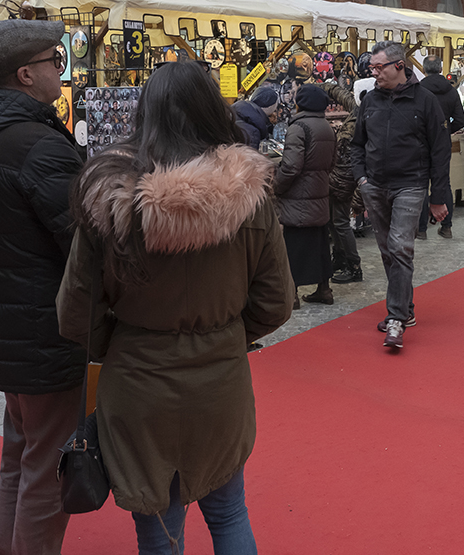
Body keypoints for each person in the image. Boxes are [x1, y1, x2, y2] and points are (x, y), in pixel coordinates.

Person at [56, 59, 292, 555]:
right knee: (229, 514)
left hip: (138, 380)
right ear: (213, 110)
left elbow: (76, 309)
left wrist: (118, 343)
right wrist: (227, 335)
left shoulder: (108, 201)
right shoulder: (251, 199)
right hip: (220, 379)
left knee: (158, 530)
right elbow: (276, 301)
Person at [0, 19, 86, 555]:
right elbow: (82, 245)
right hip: (45, 332)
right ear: (26, 74)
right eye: (57, 61)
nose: (61, 70)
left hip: (7, 325)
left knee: (22, 456)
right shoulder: (35, 144)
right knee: (47, 470)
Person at [351, 41, 451, 349]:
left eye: (379, 67)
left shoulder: (425, 101)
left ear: (399, 66)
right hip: (374, 185)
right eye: (372, 68)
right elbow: (357, 143)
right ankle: (406, 309)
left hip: (411, 184)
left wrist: (438, 196)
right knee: (387, 249)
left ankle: (395, 318)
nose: (374, 73)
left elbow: (440, 149)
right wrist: (361, 178)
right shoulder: (370, 100)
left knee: (400, 247)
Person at [275, 84, 336, 308]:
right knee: (320, 243)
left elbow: (291, 167)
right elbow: (332, 163)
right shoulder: (326, 127)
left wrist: (277, 186)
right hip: (320, 193)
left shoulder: (298, 127)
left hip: (298, 196)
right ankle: (324, 289)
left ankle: (291, 294)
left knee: (294, 245)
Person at [313, 81, 363, 284]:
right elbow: (344, 96)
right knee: (336, 222)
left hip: (343, 183)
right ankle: (341, 260)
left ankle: (354, 266)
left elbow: (350, 162)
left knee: (340, 223)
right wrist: (324, 86)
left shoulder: (360, 121)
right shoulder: (360, 110)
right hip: (338, 181)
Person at [419, 56, 464, 239]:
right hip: (442, 141)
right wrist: (446, 130)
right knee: (443, 182)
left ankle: (421, 229)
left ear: (424, 69)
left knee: (421, 184)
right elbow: (460, 119)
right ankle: (446, 227)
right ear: (440, 69)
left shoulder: (418, 90)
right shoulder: (451, 91)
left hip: (421, 141)